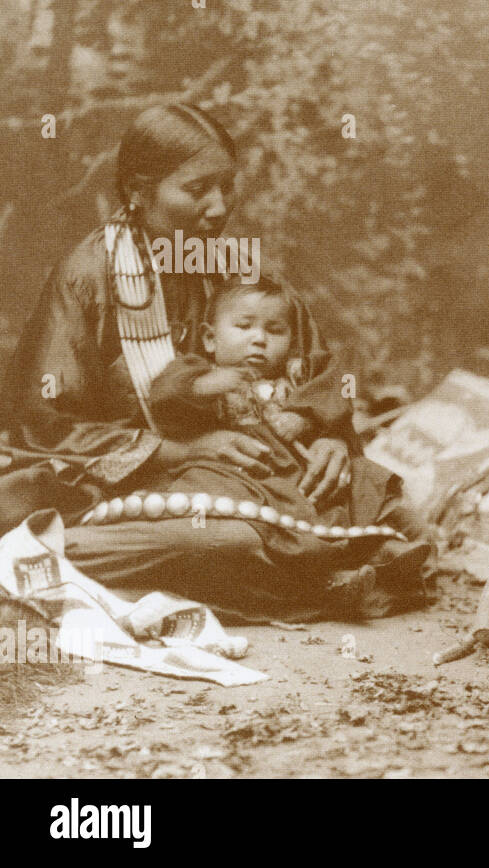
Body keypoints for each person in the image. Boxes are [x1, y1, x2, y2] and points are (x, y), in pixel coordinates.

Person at [0, 103, 427, 620]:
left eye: (226, 186)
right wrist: (183, 451)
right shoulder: (88, 276)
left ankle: (303, 571)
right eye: (197, 189)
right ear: (140, 190)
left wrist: (327, 434)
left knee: (387, 505)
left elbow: (309, 360)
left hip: (248, 467)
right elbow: (44, 423)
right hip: (129, 481)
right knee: (225, 541)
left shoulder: (225, 263)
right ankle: (48, 556)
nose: (219, 207)